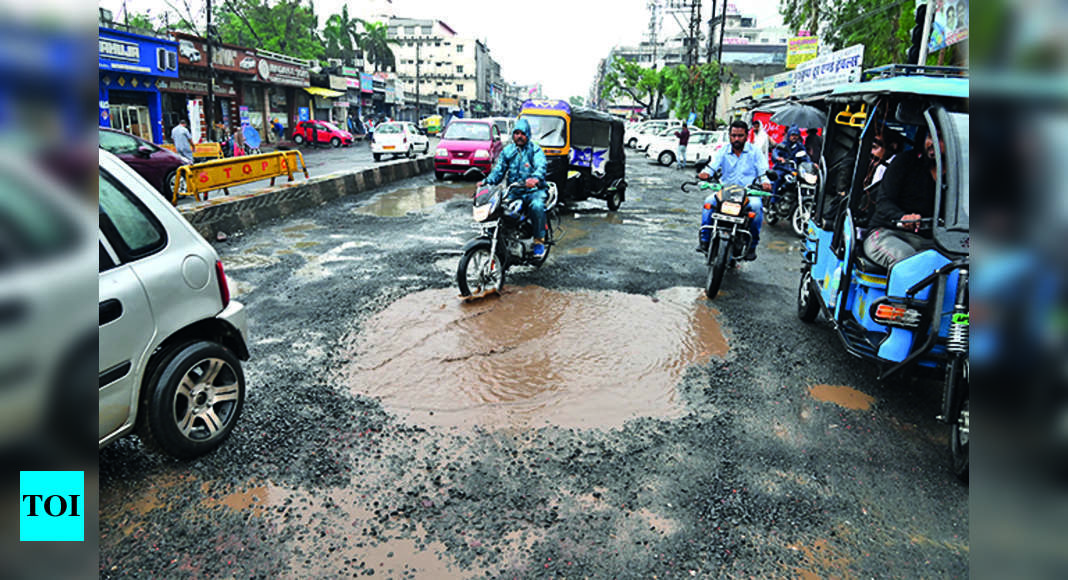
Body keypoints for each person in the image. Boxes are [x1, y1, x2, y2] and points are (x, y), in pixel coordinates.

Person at [862, 129, 943, 269]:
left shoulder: (962, 176)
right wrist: (903, 217)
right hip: (887, 233)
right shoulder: (905, 161)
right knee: (910, 262)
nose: (932, 142)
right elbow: (883, 201)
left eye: (941, 138)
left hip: (933, 241)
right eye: (931, 136)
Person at [698, 120, 772, 261]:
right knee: (708, 202)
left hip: (748, 193)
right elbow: (712, 166)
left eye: (740, 135)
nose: (736, 139)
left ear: (746, 135)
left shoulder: (755, 152)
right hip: (725, 191)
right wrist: (705, 173)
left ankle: (752, 246)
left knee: (756, 208)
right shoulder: (723, 151)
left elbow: (763, 171)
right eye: (733, 135)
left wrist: (766, 182)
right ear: (729, 135)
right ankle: (705, 240)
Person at [479, 118, 550, 258]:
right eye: (516, 133)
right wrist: (486, 182)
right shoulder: (508, 151)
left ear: (528, 134)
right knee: (498, 207)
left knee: (536, 206)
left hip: (534, 191)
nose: (519, 136)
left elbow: (541, 166)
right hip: (514, 192)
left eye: (522, 133)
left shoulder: (535, 150)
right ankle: (498, 239)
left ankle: (538, 241)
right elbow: (498, 171)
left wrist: (535, 179)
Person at [769, 125, 810, 204]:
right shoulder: (783, 145)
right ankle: (774, 199)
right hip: (782, 168)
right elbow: (775, 152)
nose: (794, 137)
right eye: (792, 135)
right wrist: (778, 158)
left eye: (796, 135)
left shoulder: (800, 147)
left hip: (794, 170)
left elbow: (805, 157)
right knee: (778, 178)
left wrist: (811, 164)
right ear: (789, 135)